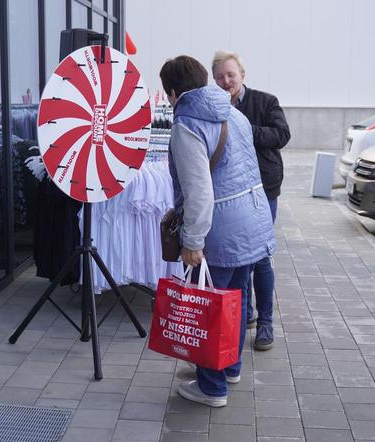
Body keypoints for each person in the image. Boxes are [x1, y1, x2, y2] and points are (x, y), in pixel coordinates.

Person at [160, 55, 275, 407]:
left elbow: (199, 191)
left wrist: (192, 242)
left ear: (174, 92)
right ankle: (229, 367)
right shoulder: (233, 112)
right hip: (251, 221)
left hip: (218, 231)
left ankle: (211, 387)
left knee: (208, 305)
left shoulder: (187, 126)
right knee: (234, 302)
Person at [212, 51, 290, 351]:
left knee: (258, 257)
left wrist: (243, 127)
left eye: (230, 74)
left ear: (242, 74)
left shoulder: (265, 101)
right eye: (219, 76)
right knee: (237, 257)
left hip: (262, 190)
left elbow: (281, 135)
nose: (226, 81)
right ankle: (247, 315)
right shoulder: (214, 106)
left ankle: (266, 323)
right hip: (229, 195)